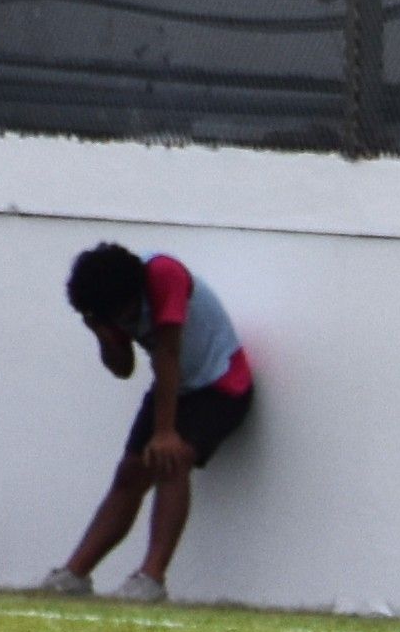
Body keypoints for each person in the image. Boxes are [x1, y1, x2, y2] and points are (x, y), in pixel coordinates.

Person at [44, 242, 255, 602]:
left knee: (172, 461)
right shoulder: (108, 303)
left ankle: (151, 578)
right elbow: (123, 368)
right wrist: (102, 333)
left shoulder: (163, 275)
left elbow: (168, 352)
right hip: (177, 385)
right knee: (130, 473)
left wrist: (164, 432)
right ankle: (75, 573)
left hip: (221, 385)